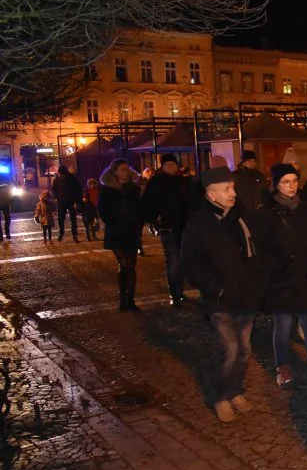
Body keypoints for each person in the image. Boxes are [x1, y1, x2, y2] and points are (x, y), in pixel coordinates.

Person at [180, 166, 264, 423]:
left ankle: (236, 390)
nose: (233, 193)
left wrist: (257, 281)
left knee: (245, 349)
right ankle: (221, 397)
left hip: (245, 295)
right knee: (231, 349)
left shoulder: (239, 217)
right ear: (211, 193)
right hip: (220, 298)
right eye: (227, 189)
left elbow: (255, 251)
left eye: (234, 188)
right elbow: (190, 262)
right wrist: (216, 287)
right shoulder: (199, 222)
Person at [256, 164, 307, 392]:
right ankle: (283, 366)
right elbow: (261, 248)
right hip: (282, 281)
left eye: (294, 181)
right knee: (283, 327)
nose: (291, 186)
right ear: (276, 185)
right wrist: (277, 264)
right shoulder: (266, 213)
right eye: (285, 182)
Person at [142, 153, 194, 306]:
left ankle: (180, 290)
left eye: (173, 164)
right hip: (168, 227)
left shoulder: (183, 182)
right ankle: (175, 293)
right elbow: (147, 204)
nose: (171, 167)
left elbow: (192, 201)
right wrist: (156, 219)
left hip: (184, 227)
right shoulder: (156, 182)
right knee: (173, 261)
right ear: (162, 166)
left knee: (183, 260)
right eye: (167, 165)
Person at [98, 160, 142, 312]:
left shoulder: (133, 188)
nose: (125, 171)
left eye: (126, 169)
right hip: (116, 231)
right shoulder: (107, 189)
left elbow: (140, 207)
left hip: (131, 230)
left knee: (131, 266)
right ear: (115, 172)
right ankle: (124, 300)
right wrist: (113, 220)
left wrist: (137, 221)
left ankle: (130, 300)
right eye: (122, 169)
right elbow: (102, 209)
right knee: (125, 264)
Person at [52, 165, 82, 242]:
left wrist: (76, 202)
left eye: (62, 174)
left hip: (71, 202)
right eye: (59, 174)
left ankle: (74, 236)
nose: (60, 175)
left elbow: (78, 190)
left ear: (65, 174)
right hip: (61, 202)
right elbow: (54, 189)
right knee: (60, 219)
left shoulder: (72, 179)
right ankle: (61, 233)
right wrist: (55, 197)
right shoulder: (56, 180)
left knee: (73, 220)